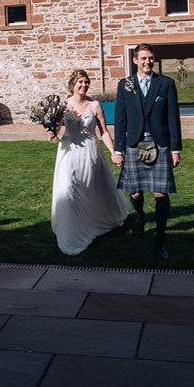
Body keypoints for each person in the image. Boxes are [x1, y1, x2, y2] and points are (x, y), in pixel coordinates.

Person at [48, 69, 130, 255]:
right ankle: (71, 233)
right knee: (68, 188)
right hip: (68, 153)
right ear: (73, 84)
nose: (84, 85)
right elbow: (57, 127)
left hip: (90, 153)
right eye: (80, 82)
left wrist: (114, 153)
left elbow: (104, 132)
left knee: (90, 189)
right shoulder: (63, 105)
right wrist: (51, 132)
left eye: (86, 82)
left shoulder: (95, 105)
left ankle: (92, 222)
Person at [112, 43, 182, 260]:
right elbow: (120, 119)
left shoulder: (166, 84)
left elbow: (173, 119)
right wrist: (118, 150)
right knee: (135, 191)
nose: (147, 62)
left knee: (161, 192)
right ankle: (141, 216)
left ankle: (160, 240)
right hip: (133, 144)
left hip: (160, 144)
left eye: (150, 58)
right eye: (143, 58)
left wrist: (175, 149)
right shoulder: (125, 85)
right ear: (135, 60)